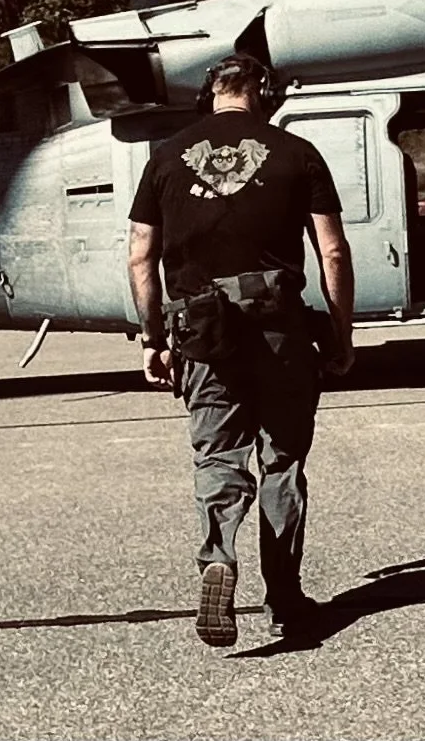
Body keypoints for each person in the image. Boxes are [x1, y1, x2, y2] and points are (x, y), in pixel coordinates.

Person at [127, 52, 356, 648]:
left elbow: (139, 257)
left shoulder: (166, 157)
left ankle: (218, 557)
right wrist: (339, 332)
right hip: (280, 330)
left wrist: (154, 338)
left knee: (218, 456)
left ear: (212, 92)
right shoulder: (296, 153)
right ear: (262, 89)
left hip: (202, 334)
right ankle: (284, 597)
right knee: (282, 461)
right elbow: (332, 252)